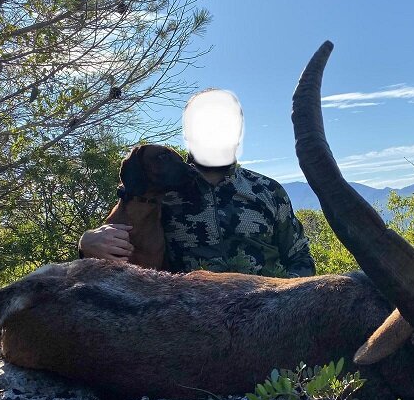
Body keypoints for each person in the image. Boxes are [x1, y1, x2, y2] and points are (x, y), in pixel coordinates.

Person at [79, 89, 315, 277]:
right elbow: (112, 246)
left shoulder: (267, 191)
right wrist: (86, 244)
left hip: (263, 320)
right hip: (188, 322)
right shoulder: (156, 193)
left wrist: (284, 303)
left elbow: (300, 258)